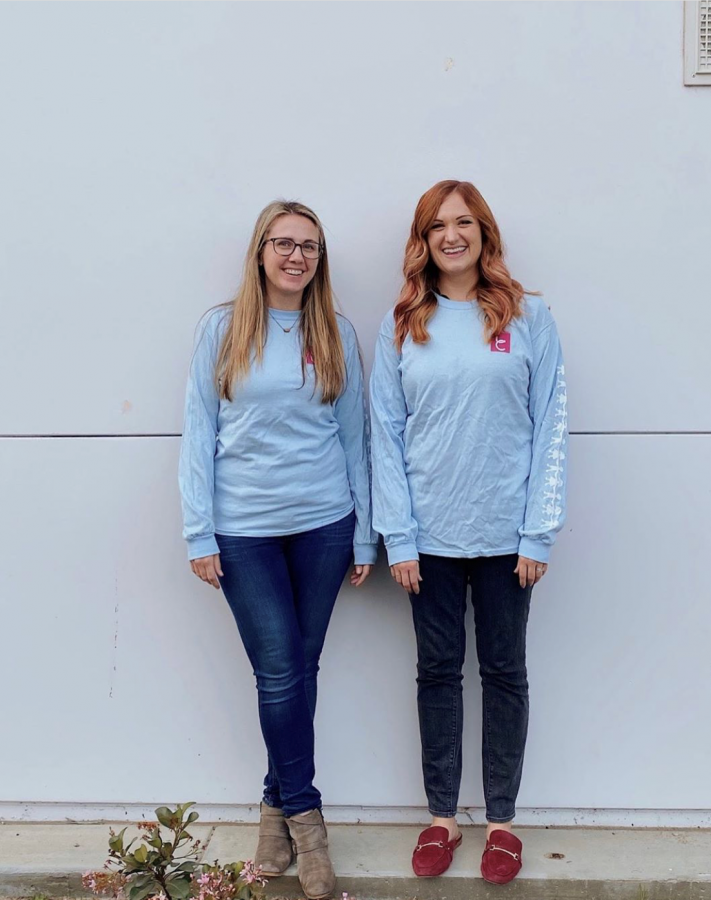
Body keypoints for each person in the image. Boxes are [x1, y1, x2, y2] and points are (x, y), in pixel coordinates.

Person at [370, 180, 567, 885]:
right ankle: (442, 817)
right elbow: (383, 436)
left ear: (484, 232)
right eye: (436, 227)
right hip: (430, 541)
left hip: (508, 538)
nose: (451, 236)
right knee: (437, 674)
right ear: (422, 242)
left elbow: (551, 427)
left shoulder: (529, 317)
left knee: (505, 672)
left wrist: (538, 531)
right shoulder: (404, 323)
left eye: (463, 223)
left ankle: (503, 823)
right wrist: (397, 535)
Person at [179, 200, 377, 900]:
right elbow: (197, 436)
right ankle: (308, 821)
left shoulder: (336, 332)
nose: (297, 256)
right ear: (260, 250)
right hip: (244, 532)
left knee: (298, 668)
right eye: (285, 243)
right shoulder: (222, 329)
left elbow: (355, 438)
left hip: (324, 525)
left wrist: (365, 529)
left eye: (311, 247)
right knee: (281, 672)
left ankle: (273, 809)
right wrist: (199, 532)